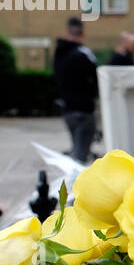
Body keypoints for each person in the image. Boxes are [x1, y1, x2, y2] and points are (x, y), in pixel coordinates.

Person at [53, 17, 99, 162]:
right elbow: (97, 77)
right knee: (81, 156)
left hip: (68, 110)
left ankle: (73, 181)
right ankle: (74, 183)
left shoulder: (59, 54)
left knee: (77, 151)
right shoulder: (83, 54)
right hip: (84, 111)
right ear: (82, 34)